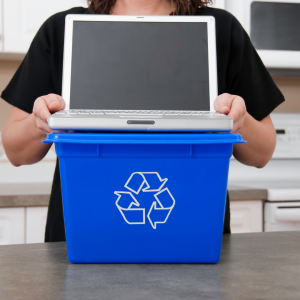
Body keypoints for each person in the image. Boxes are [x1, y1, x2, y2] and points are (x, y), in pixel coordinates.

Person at [1, 0, 284, 242]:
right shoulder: (63, 30)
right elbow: (16, 152)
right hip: (83, 230)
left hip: (193, 232)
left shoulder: (221, 29)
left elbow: (263, 152)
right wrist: (42, 120)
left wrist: (239, 120)